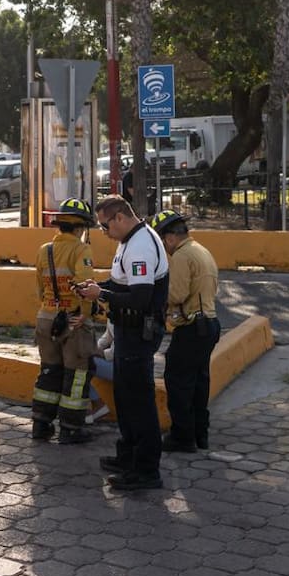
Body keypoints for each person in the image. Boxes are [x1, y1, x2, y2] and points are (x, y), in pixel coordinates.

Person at [76, 194, 170, 492]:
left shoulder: (140, 245)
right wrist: (98, 287)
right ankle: (128, 456)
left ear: (119, 217)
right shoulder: (129, 241)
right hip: (127, 333)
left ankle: (145, 470)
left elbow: (141, 298)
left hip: (138, 334)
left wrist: (100, 296)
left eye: (105, 226)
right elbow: (122, 285)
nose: (104, 232)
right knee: (127, 399)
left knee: (139, 403)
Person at [30, 198, 102, 445]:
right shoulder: (81, 250)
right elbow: (85, 286)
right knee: (76, 375)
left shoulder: (43, 250)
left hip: (46, 318)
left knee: (49, 372)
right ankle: (71, 428)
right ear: (81, 228)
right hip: (72, 321)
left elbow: (40, 289)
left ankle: (41, 424)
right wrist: (85, 313)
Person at [150, 210, 221, 453]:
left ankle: (182, 436)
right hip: (209, 324)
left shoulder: (181, 256)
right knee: (199, 382)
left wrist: (152, 295)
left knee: (178, 381)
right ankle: (200, 433)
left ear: (169, 238)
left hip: (192, 328)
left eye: (161, 241)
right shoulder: (202, 251)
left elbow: (176, 294)